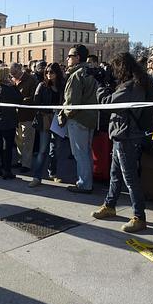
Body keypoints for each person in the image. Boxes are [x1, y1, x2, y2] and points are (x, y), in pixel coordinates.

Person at [92, 53, 153, 232]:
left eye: (115, 69)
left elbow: (108, 103)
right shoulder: (137, 82)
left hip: (127, 136)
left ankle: (139, 216)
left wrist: (100, 85)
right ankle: (110, 205)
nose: (114, 73)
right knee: (115, 174)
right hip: (124, 135)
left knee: (130, 178)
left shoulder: (131, 86)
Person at [60, 44, 99, 193]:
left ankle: (84, 184)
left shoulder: (76, 75)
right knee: (86, 151)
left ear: (77, 57)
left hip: (78, 119)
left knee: (80, 153)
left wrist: (64, 114)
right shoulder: (90, 72)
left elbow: (71, 102)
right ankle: (86, 181)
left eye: (70, 56)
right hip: (90, 118)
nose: (67, 59)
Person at [29, 62, 65, 187]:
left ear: (57, 73)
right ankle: (37, 177)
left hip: (58, 119)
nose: (49, 74)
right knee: (43, 149)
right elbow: (36, 102)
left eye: (51, 72)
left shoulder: (62, 86)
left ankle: (53, 173)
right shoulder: (42, 85)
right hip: (45, 119)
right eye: (47, 72)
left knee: (55, 149)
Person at [0, 66, 23, 179]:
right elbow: (19, 99)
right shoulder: (9, 89)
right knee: (7, 147)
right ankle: (7, 170)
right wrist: (14, 87)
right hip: (7, 122)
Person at [10, 62, 38, 173]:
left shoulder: (31, 80)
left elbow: (33, 97)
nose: (13, 76)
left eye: (14, 73)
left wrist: (19, 101)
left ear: (20, 69)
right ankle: (20, 160)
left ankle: (26, 164)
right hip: (16, 116)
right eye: (11, 74)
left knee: (28, 141)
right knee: (19, 140)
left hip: (28, 115)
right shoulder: (12, 80)